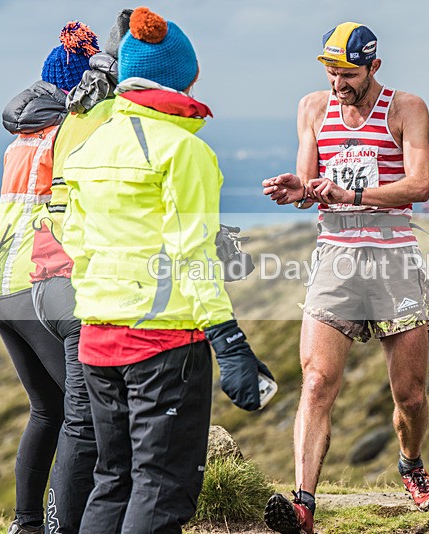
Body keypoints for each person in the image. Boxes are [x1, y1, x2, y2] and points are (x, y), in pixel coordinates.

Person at [60, 7, 273, 532]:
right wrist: (229, 341)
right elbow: (193, 252)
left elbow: (75, 244)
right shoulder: (184, 150)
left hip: (96, 339)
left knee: (114, 478)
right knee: (161, 486)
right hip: (164, 345)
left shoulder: (89, 148)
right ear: (184, 76)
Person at [262, 21, 429, 534]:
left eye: (347, 74)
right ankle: (304, 507)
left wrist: (353, 196)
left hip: (394, 260)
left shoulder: (407, 108)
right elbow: (309, 183)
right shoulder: (312, 108)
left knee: (409, 394)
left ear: (373, 68)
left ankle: (410, 464)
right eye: (330, 72)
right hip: (335, 259)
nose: (337, 83)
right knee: (317, 382)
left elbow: (421, 183)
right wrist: (295, 187)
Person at [0, 21, 98, 534]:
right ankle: (60, 525)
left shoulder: (19, 141)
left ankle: (25, 523)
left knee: (45, 410)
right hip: (39, 285)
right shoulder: (70, 137)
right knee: (81, 415)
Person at [29, 10, 131, 534]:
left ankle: (54, 521)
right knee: (86, 421)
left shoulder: (57, 126)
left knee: (71, 415)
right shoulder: (106, 119)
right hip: (78, 284)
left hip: (43, 283)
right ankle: (63, 526)